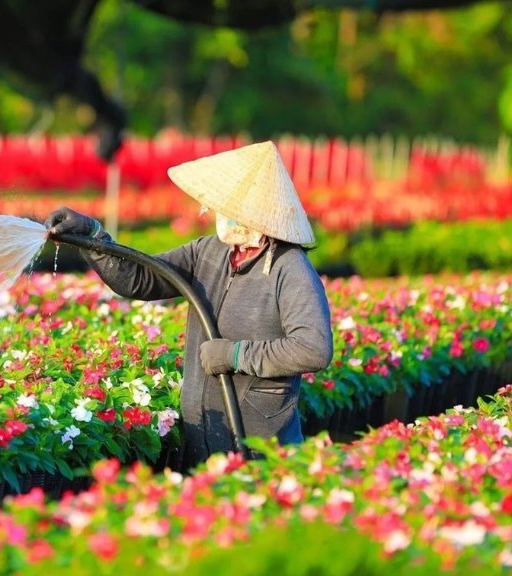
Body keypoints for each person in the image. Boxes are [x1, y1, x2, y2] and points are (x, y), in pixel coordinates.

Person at [44, 141, 334, 469]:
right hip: (202, 437)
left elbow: (313, 348)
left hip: (261, 448)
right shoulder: (208, 252)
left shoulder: (289, 267)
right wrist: (92, 235)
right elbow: (139, 278)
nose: (216, 212)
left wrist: (235, 355)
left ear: (250, 213)